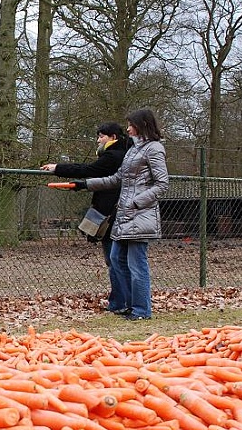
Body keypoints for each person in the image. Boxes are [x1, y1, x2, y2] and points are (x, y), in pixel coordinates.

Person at [69, 109, 169, 321]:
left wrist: (136, 202)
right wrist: (84, 185)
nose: (128, 128)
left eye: (131, 124)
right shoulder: (133, 150)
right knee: (116, 259)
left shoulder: (154, 149)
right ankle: (130, 305)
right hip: (124, 216)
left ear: (141, 125)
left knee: (136, 263)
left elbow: (162, 184)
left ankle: (142, 310)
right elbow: (116, 179)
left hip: (139, 215)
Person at [41, 122, 130, 314]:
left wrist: (58, 168)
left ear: (112, 137)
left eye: (101, 136)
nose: (98, 140)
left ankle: (119, 303)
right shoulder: (126, 154)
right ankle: (124, 301)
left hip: (111, 213)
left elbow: (88, 170)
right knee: (120, 260)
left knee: (114, 260)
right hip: (119, 211)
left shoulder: (113, 157)